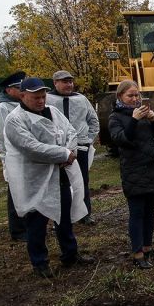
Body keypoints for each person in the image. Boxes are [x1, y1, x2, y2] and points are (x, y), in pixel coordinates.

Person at [4, 77, 93, 278]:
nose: (41, 101)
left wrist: (70, 151)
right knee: (37, 221)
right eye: (36, 97)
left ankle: (70, 254)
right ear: (23, 95)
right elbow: (30, 147)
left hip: (59, 174)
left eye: (43, 96)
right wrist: (62, 154)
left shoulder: (53, 111)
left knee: (64, 216)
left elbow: (70, 131)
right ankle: (40, 262)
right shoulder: (15, 120)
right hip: (35, 179)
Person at [108, 80, 154, 269]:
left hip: (152, 169)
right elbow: (123, 140)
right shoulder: (115, 118)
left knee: (150, 212)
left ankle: (148, 248)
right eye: (130, 96)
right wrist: (134, 120)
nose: (135, 99)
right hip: (133, 171)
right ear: (120, 97)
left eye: (137, 95)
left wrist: (153, 121)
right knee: (137, 213)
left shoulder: (144, 115)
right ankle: (138, 253)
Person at [47, 70, 100, 225]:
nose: (68, 84)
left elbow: (93, 120)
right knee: (57, 182)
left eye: (70, 81)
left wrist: (88, 139)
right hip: (56, 149)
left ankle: (84, 213)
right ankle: (60, 215)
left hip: (80, 148)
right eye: (64, 81)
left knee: (81, 180)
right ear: (55, 83)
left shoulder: (81, 99)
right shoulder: (48, 100)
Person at [0, 70, 27, 241]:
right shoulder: (2, 109)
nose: (22, 90)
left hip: (27, 156)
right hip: (14, 158)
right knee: (15, 193)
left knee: (27, 191)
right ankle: (18, 231)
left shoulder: (21, 105)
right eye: (19, 88)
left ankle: (27, 226)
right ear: (8, 90)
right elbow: (3, 137)